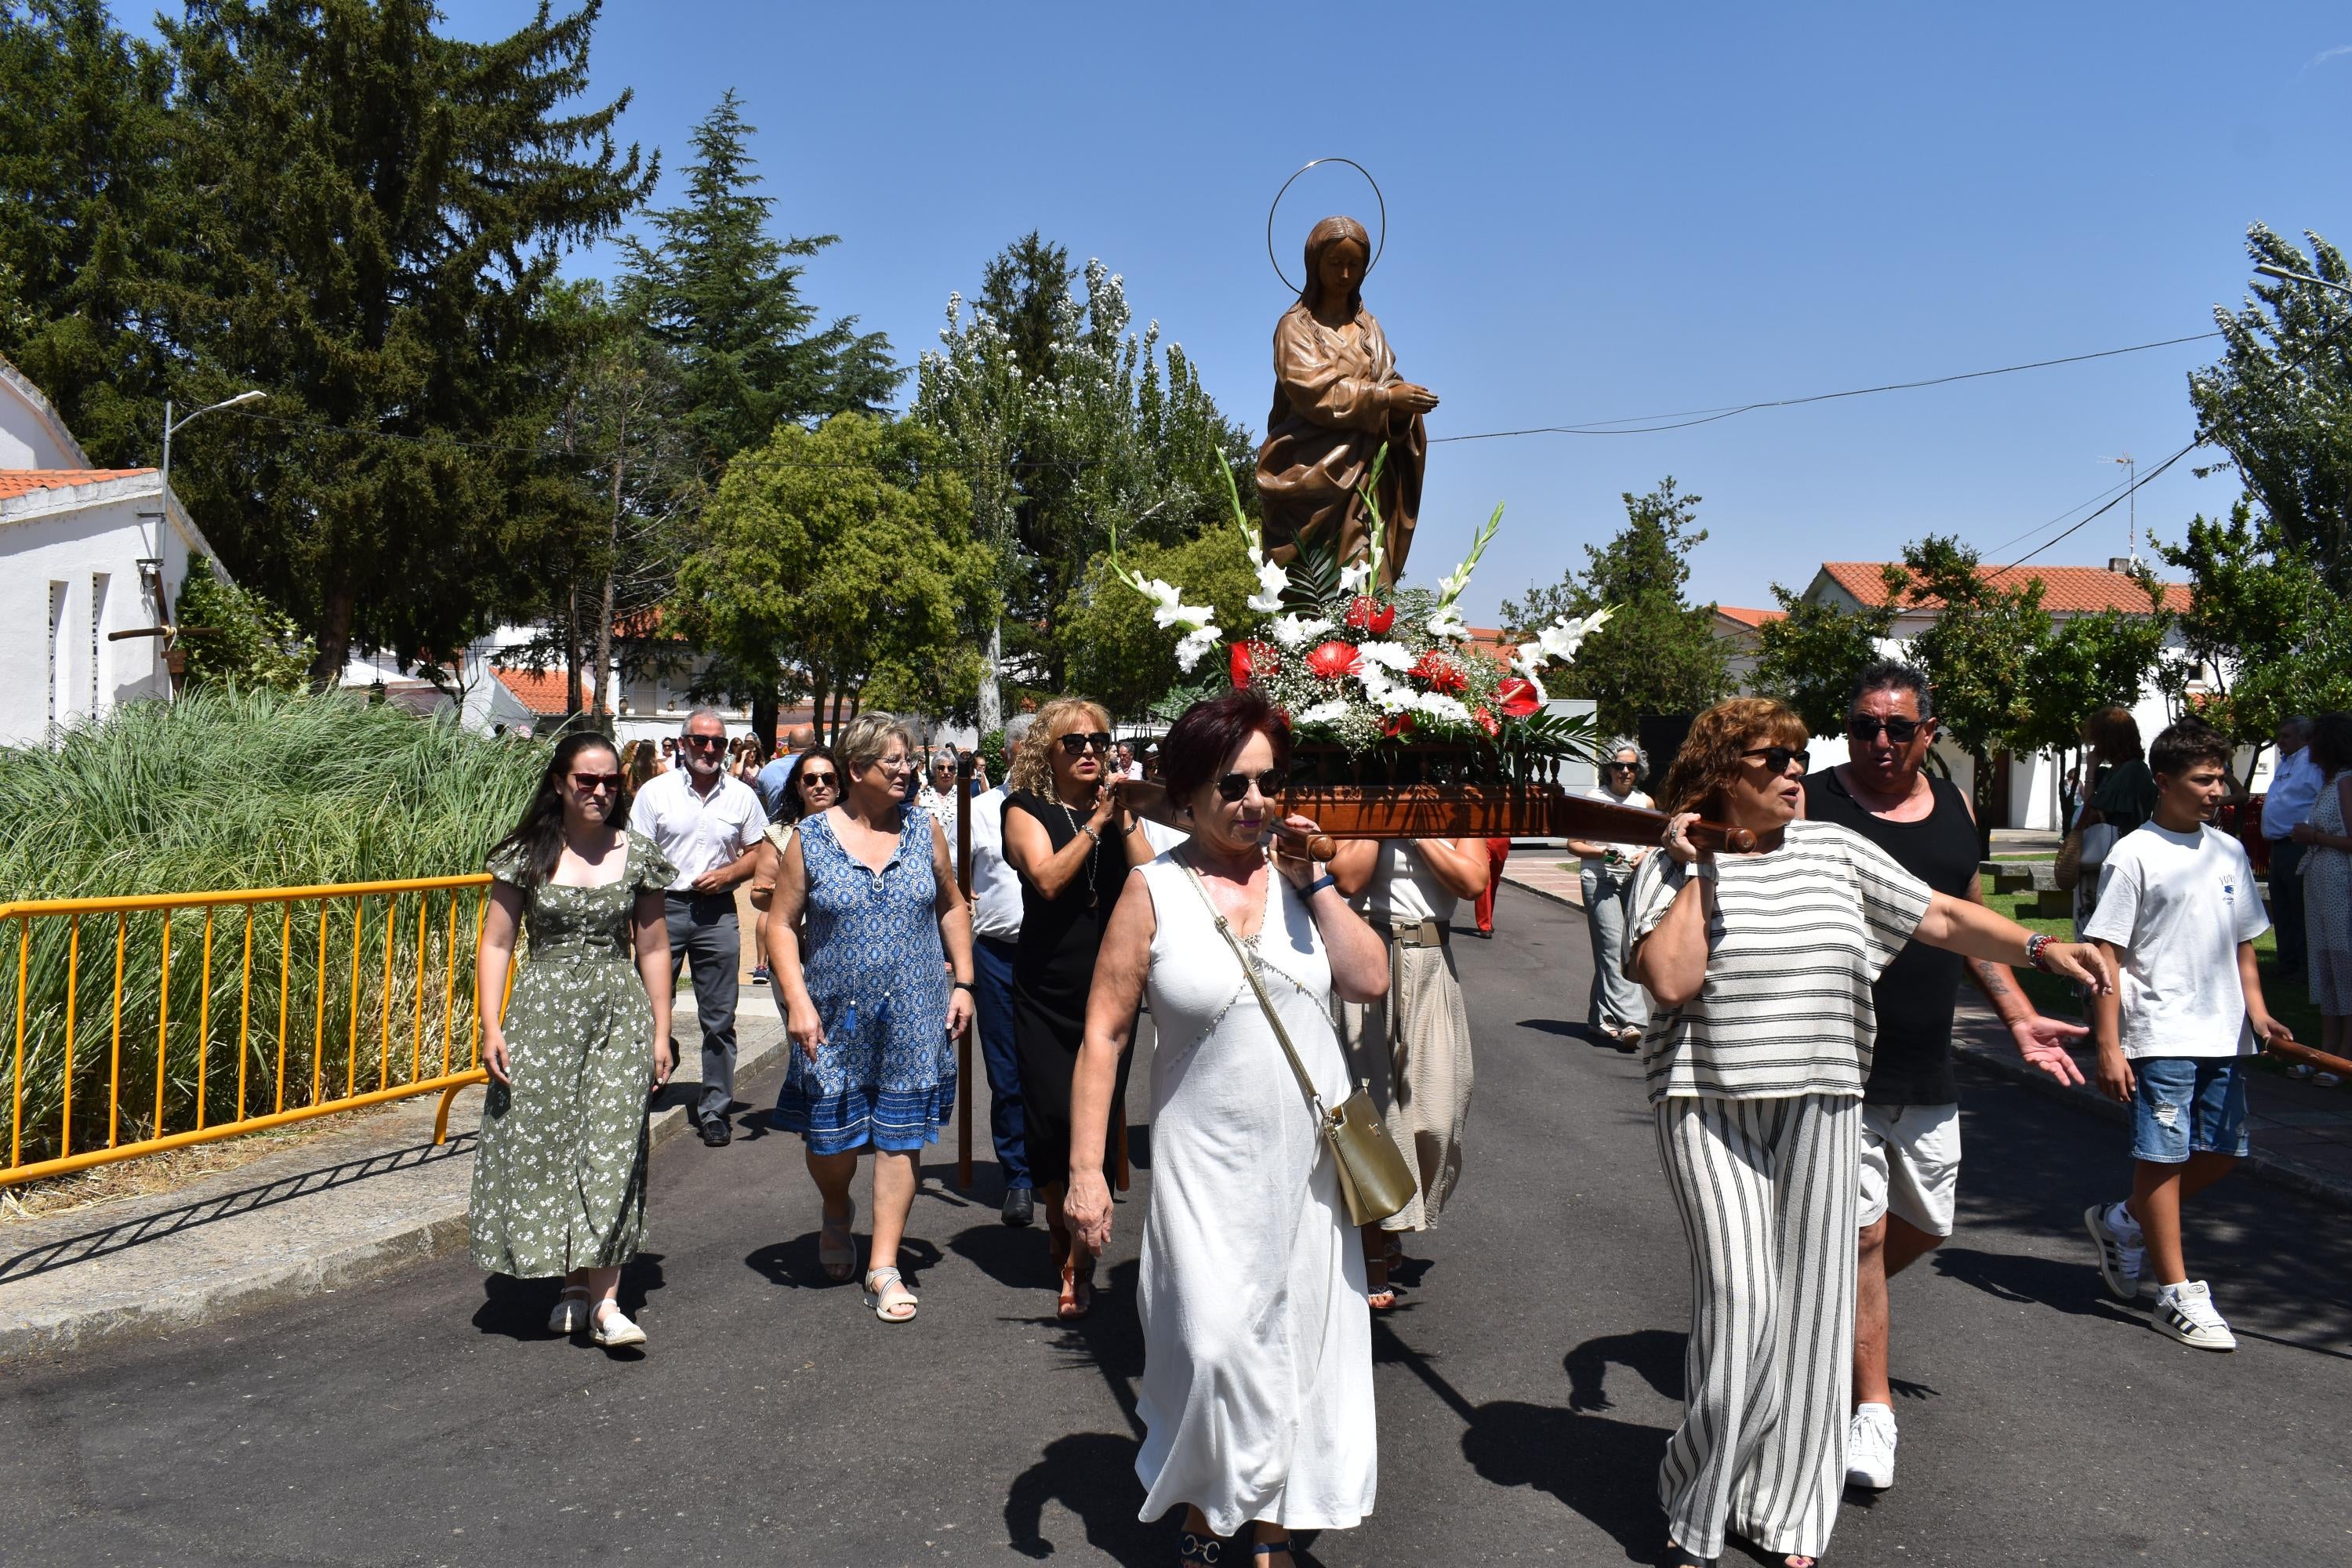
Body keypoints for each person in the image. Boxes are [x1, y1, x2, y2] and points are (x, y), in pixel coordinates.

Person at [1628, 697, 2107, 1568]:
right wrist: (1694, 868)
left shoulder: (1838, 850)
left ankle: (1786, 1507)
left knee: (1814, 1313)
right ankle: (1698, 1491)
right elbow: (1668, 979)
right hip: (1708, 1103)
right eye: (1772, 758)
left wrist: (2038, 947)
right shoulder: (1663, 865)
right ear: (1720, 772)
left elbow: (1944, 917)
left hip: (1825, 1101)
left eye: (1797, 755)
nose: (1792, 772)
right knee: (1740, 1307)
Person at [1065, 690, 1390, 1567]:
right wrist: (1086, 1170)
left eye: (1267, 781)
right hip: (1204, 1169)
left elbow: (1369, 978)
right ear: (1185, 792)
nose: (1253, 800)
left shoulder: (1300, 880)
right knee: (1210, 1346)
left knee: (1299, 1346)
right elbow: (1105, 1032)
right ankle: (1209, 1506)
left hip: (1310, 1168)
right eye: (1231, 784)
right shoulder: (1153, 889)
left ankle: (1274, 1525)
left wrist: (1316, 879)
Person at [1800, 662, 2092, 1493]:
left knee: (1926, 1222)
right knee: (1860, 1237)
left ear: (1930, 730)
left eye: (1898, 727)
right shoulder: (1812, 803)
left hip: (1926, 1059)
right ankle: (1873, 1410)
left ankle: (1814, 1303)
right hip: (1837, 1058)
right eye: (1864, 725)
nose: (1880, 742)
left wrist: (2016, 1011)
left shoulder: (1956, 803)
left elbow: (1962, 914)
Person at [2082, 719, 2296, 1351]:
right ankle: (2175, 1293)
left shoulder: (2227, 851)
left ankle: (2123, 1220)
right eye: (2203, 779)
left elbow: (2244, 945)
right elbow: (2107, 955)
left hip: (2223, 1033)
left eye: (2220, 777)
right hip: (2161, 1033)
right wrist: (2109, 1043)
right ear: (2164, 781)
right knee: (2163, 1158)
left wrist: (2255, 1012)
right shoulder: (2135, 855)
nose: (2217, 790)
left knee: (2224, 1153)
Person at [469, 733, 677, 1350]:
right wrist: (491, 1024)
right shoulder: (526, 854)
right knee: (550, 1143)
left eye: (610, 781)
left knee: (611, 1147)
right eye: (586, 781)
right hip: (543, 1016)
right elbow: (497, 943)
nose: (600, 791)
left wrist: (662, 1030)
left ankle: (608, 1301)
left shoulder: (638, 854)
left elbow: (655, 947)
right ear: (560, 782)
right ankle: (572, 1287)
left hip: (618, 1014)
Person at [766, 712, 975, 1323]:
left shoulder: (924, 830)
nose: (909, 770)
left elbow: (952, 905)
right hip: (834, 1015)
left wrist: (963, 980)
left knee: (900, 1135)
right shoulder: (813, 837)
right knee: (831, 1139)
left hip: (914, 1010)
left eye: (910, 760)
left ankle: (884, 1265)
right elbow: (780, 924)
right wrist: (798, 1000)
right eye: (895, 762)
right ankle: (836, 1209)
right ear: (856, 770)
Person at [1003, 699, 1157, 1319]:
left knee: (1093, 1118)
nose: (1091, 750)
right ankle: (1057, 1218)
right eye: (1076, 743)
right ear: (1049, 751)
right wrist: (1095, 823)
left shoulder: (1120, 811)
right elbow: (1046, 879)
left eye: (1100, 739)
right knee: (1048, 1120)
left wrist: (1122, 821)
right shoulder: (1025, 809)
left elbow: (1153, 879)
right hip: (1045, 988)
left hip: (1109, 991)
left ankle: (1079, 1260)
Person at [1327, 833, 1488, 1308]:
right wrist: (1384, 821)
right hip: (1370, 953)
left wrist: (1419, 831)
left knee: (1439, 1115)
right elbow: (1349, 878)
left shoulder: (1458, 812)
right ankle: (1373, 1246)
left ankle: (1394, 1213)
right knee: (1373, 1114)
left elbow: (1473, 881)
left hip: (1433, 963)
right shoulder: (1364, 811)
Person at [1255, 213, 1437, 587]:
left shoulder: (1370, 328)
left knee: (1366, 582)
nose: (1344, 275)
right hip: (1308, 472)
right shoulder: (1296, 327)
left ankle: (1368, 645)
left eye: (1354, 265)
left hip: (1365, 477)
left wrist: (1400, 408)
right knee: (1309, 590)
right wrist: (1386, 397)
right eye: (1335, 264)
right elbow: (1313, 390)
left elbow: (1389, 380)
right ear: (1315, 264)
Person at [628, 708, 768, 1147]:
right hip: (662, 907)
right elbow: (637, 854)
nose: (710, 750)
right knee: (648, 1005)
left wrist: (730, 875)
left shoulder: (742, 796)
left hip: (717, 911)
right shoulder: (655, 793)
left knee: (720, 1016)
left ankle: (714, 1109)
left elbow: (759, 852)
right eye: (701, 741)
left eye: (719, 743)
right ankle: (645, 1084)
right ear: (683, 743)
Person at [967, 713, 1036, 1228]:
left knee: (1056, 1067)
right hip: (995, 954)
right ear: (1014, 751)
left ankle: (1059, 1164)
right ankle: (1018, 1175)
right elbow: (947, 875)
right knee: (1006, 1069)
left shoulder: (1068, 807)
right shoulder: (979, 812)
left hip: (1056, 955)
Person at [1566, 740, 1653, 1043]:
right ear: (1608, 769)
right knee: (1615, 945)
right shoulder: (1594, 798)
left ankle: (1598, 1018)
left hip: (1632, 881)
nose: (1625, 772)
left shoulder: (1646, 802)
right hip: (1600, 880)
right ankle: (1632, 1020)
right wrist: (1602, 853)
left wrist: (1645, 855)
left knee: (1615, 948)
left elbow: (1653, 842)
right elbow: (1574, 844)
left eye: (1631, 767)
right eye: (1619, 766)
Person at [2292, 712, 2352, 1058]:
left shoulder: (2347, 781)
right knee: (2324, 961)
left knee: (2344, 960)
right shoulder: (2330, 783)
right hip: (2319, 882)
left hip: (2340, 883)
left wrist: (2313, 835)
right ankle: (2327, 1046)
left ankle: (2345, 1050)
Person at [746, 744, 840, 918]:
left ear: (839, 785)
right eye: (810, 780)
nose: (820, 786)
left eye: (828, 778)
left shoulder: (859, 831)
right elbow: (757, 895)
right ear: (799, 788)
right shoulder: (778, 835)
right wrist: (782, 892)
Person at [2262, 717, 2321, 982]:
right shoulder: (2285, 763)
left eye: (2286, 736)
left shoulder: (2312, 763)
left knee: (2300, 908)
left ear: (2303, 738)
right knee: (2282, 907)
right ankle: (2287, 962)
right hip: (2278, 845)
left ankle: (2305, 967)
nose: (2280, 741)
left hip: (2299, 844)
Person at [757, 723, 817, 821]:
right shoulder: (821, 768)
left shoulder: (768, 769)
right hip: (814, 830)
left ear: (788, 746)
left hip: (776, 833)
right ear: (814, 745)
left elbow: (762, 807)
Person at [1471, 835, 1512, 937]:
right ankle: (1484, 925)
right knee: (1484, 880)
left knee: (1494, 880)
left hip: (1502, 838)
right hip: (1483, 837)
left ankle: (1488, 918)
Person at [916, 747, 960, 819]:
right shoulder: (921, 796)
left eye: (951, 768)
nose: (946, 772)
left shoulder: (963, 794)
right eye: (941, 768)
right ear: (934, 770)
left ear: (955, 771)